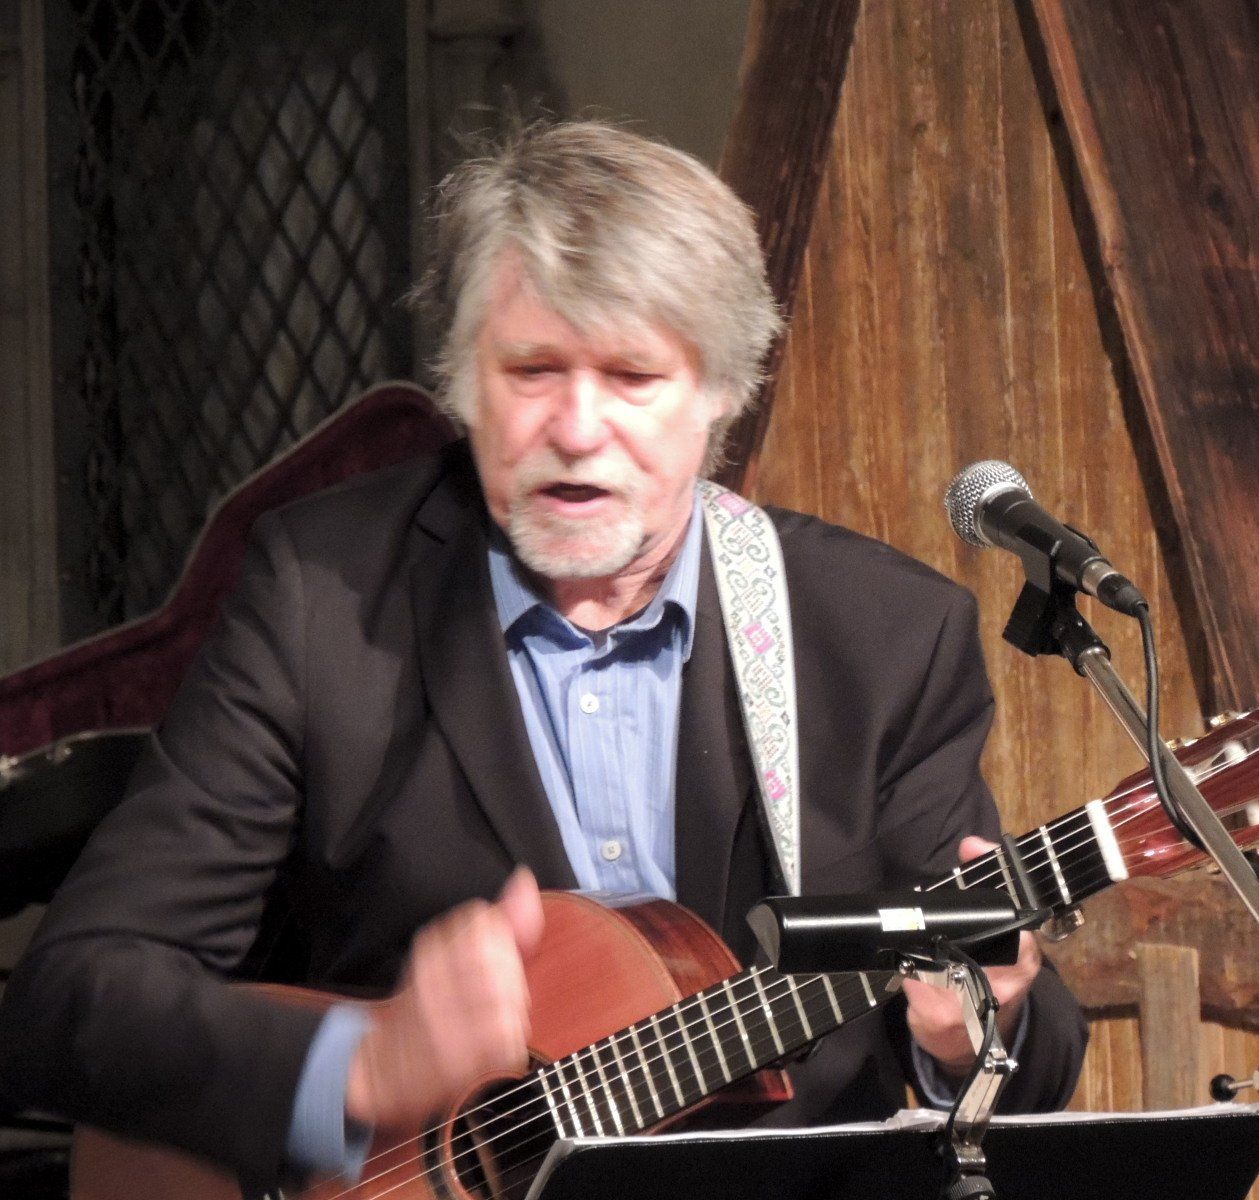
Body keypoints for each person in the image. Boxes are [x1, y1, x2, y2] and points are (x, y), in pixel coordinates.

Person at [0, 120, 1087, 1194]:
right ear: (461, 383)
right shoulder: (322, 601)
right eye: (531, 370)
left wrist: (964, 1041)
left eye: (632, 376)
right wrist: (360, 1068)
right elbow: (68, 999)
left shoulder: (880, 635)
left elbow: (1028, 1055)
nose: (575, 426)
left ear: (721, 394)